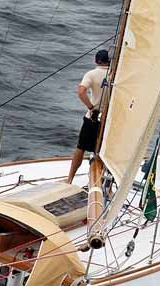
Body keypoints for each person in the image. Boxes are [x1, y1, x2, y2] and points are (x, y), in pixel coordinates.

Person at [67, 49, 110, 184]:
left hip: (93, 116)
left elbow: (81, 92)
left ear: (97, 61)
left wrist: (91, 108)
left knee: (81, 147)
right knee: (103, 150)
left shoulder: (91, 74)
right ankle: (101, 183)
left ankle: (69, 180)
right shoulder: (115, 75)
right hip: (107, 118)